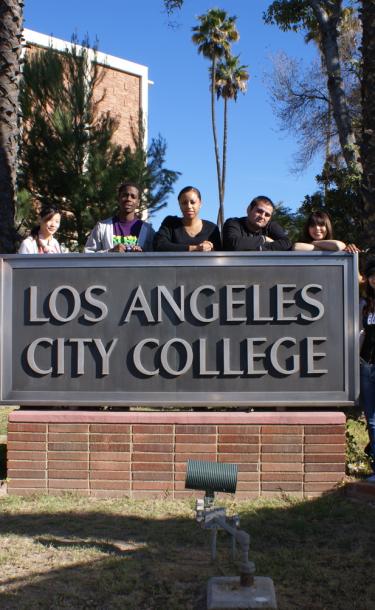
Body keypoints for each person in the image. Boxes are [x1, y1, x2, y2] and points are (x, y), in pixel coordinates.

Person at [84, 182, 154, 253]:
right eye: (125, 195)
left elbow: (155, 257)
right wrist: (111, 251)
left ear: (138, 202)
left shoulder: (148, 230)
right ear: (118, 199)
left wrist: (142, 254)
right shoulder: (102, 227)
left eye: (133, 197)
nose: (128, 199)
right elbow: (88, 254)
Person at [153, 186, 221, 252]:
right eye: (184, 203)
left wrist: (211, 248)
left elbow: (220, 255)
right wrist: (195, 248)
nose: (189, 206)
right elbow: (159, 245)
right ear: (179, 205)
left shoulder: (212, 228)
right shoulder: (170, 223)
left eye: (193, 202)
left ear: (200, 203)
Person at [222, 195, 291, 251]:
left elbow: (286, 243)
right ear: (249, 209)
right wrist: (264, 239)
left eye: (267, 215)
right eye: (259, 211)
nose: (262, 217)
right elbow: (234, 244)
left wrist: (261, 248)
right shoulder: (233, 223)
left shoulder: (271, 226)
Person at [360, 258, 375, 482]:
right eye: (372, 274)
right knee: (371, 418)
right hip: (367, 365)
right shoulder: (365, 304)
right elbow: (362, 333)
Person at [293, 211, 358, 252]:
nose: (317, 228)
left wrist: (313, 243)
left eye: (321, 225)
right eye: (312, 225)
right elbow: (296, 247)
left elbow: (337, 245)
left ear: (327, 227)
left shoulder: (345, 248)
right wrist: (330, 249)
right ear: (307, 228)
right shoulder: (300, 244)